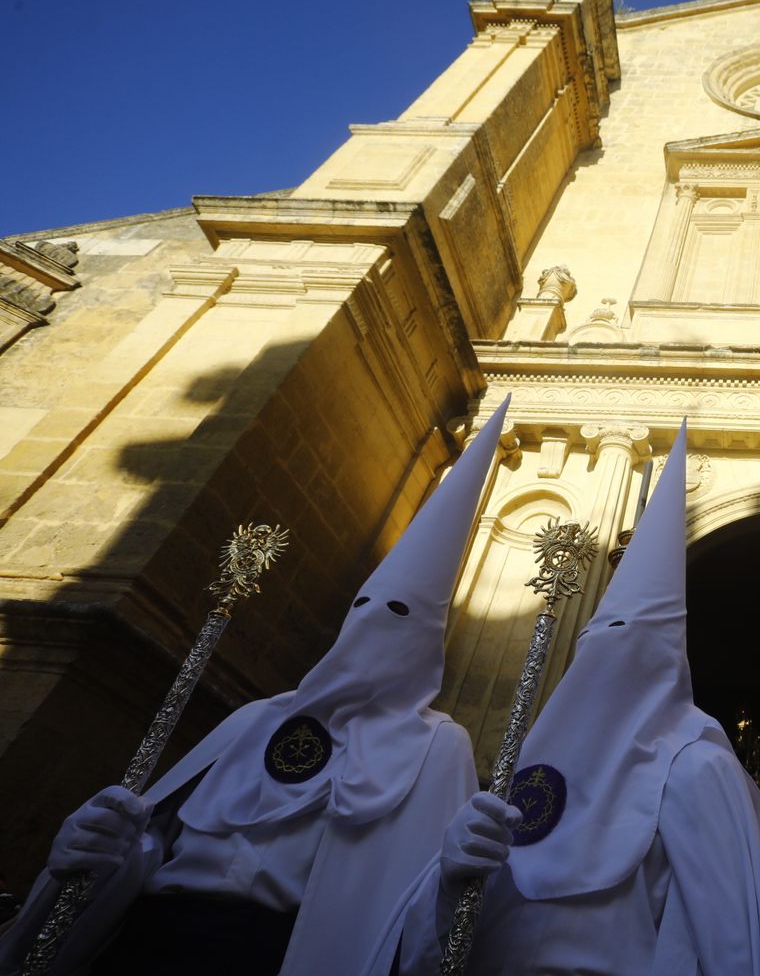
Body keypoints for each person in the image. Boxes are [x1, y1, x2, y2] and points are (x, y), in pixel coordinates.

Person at [0, 396, 511, 976]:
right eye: (362, 606)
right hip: (149, 944)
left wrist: (454, 879)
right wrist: (101, 849)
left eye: (399, 613)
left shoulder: (436, 745)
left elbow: (411, 907)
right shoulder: (256, 718)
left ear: (426, 642)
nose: (374, 622)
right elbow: (156, 847)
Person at [368, 422, 760, 976]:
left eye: (631, 641)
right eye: (599, 637)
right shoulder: (531, 767)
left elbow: (725, 944)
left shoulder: (700, 769)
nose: (609, 656)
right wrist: (450, 878)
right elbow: (435, 946)